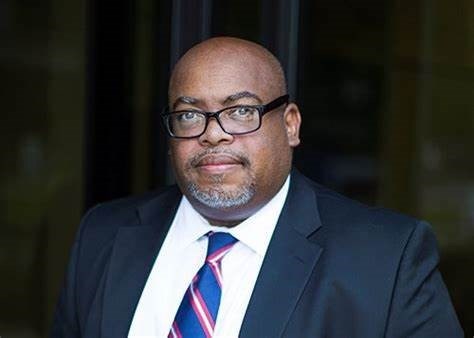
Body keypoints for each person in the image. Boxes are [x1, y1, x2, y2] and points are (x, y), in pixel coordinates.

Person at [51, 37, 464, 337]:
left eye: (241, 111)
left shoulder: (386, 260)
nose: (214, 134)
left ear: (290, 125)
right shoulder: (102, 233)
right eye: (190, 115)